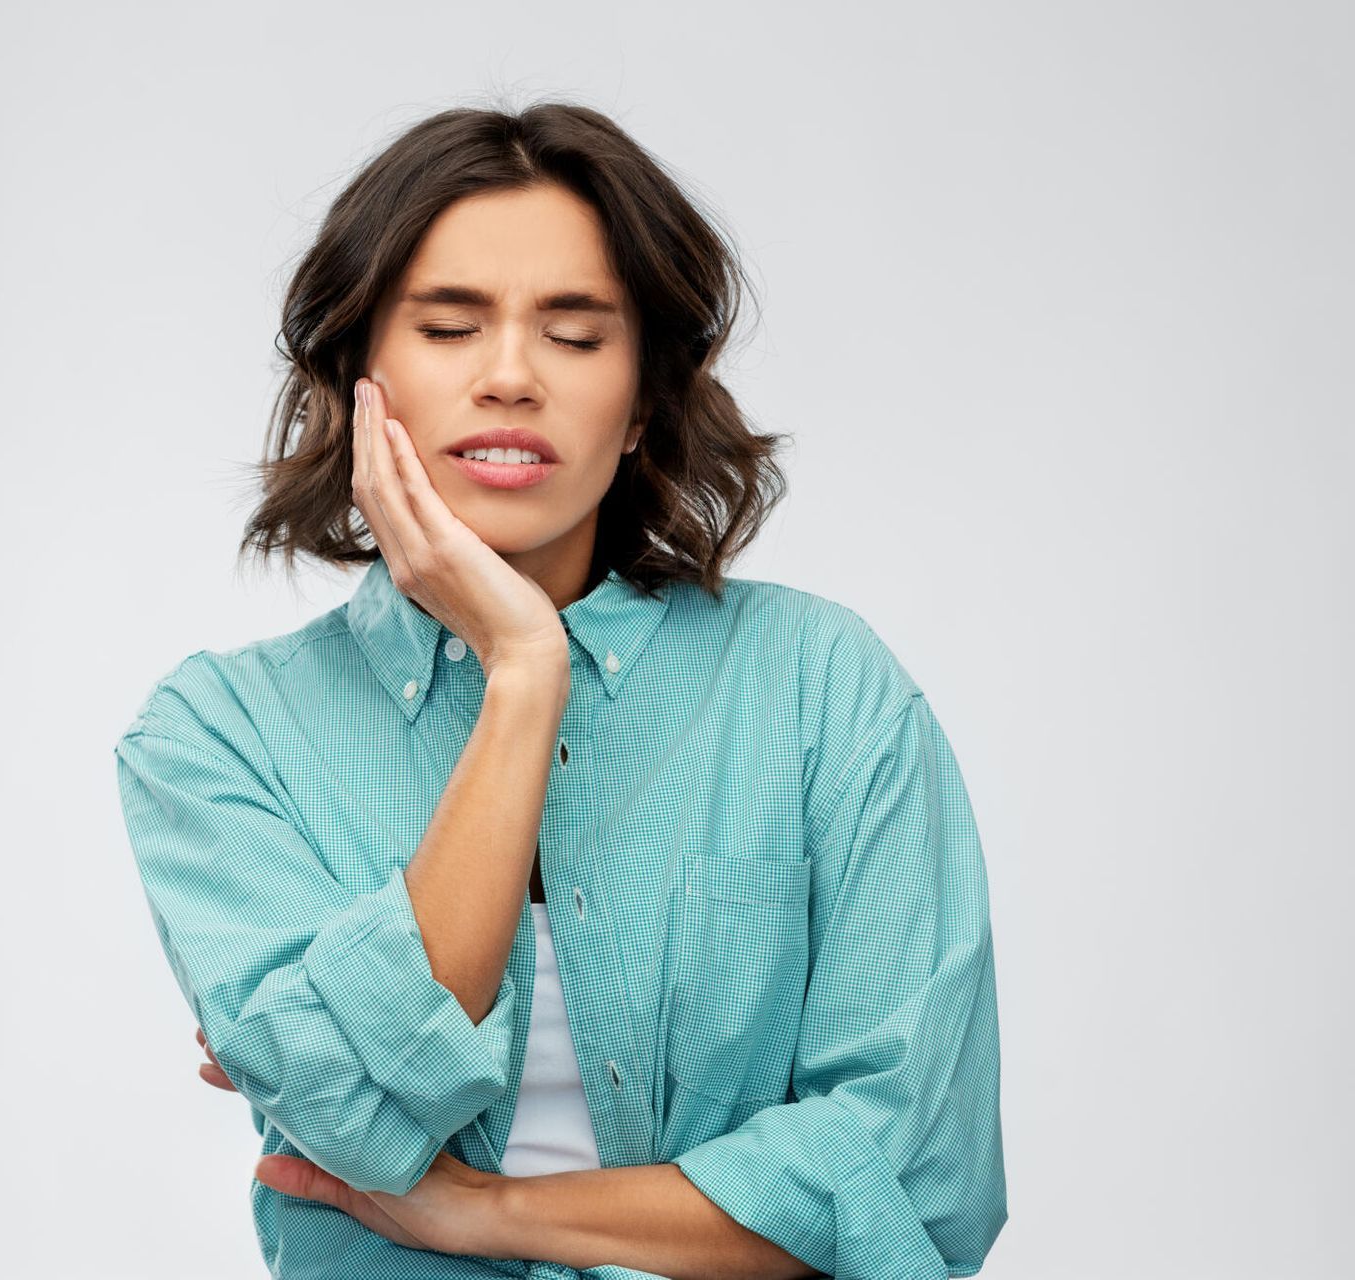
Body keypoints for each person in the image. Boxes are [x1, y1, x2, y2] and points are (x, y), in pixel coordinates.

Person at [113, 99, 1007, 1280]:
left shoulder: (822, 689)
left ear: (642, 402)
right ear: (356, 372)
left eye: (576, 336)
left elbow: (910, 1172)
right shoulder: (221, 737)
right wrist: (525, 673)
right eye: (448, 327)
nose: (511, 378)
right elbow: (360, 1111)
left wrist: (485, 1211)